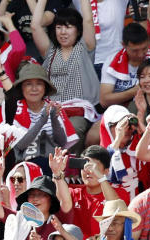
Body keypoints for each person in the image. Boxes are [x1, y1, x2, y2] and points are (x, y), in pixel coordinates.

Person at [29, 0, 100, 145]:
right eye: (59, 27)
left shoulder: (85, 48)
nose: (63, 32)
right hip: (51, 113)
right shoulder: (50, 51)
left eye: (68, 27)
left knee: (71, 131)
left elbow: (87, 20)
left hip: (77, 114)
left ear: (78, 30)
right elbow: (35, 26)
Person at [100, 23, 150, 109]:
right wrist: (134, 91)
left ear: (148, 42)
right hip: (118, 112)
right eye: (135, 51)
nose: (141, 54)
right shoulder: (112, 61)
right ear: (124, 45)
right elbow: (104, 100)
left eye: (144, 48)